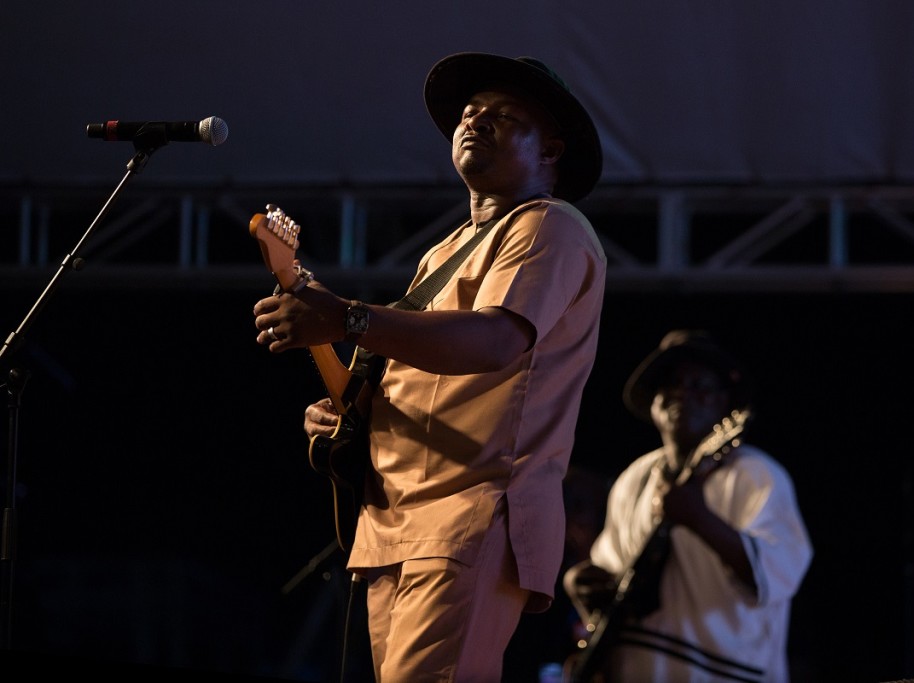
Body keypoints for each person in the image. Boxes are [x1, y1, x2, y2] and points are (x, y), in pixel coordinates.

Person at [253, 52, 606, 682]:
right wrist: (348, 409)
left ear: (550, 150)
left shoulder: (550, 225)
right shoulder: (442, 253)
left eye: (503, 116)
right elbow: (420, 373)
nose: (475, 120)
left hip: (469, 514)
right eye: (470, 113)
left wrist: (349, 318)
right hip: (394, 526)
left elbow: (496, 342)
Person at [563, 330, 813, 683]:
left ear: (725, 403)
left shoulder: (757, 475)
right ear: (653, 404)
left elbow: (775, 573)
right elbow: (613, 572)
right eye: (671, 384)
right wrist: (580, 582)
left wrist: (699, 518)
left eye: (700, 385)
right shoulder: (635, 477)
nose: (683, 393)